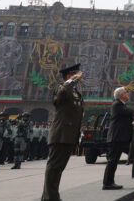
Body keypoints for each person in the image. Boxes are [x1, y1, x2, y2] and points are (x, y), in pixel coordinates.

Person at [41, 64, 83, 201]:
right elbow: (61, 95)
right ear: (69, 76)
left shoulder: (75, 92)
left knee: (58, 169)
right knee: (54, 167)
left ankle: (50, 196)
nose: (80, 76)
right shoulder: (62, 88)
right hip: (60, 134)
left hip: (69, 135)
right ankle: (50, 197)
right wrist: (70, 81)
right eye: (76, 74)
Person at [103, 87, 133, 190]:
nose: (128, 94)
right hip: (116, 138)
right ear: (121, 95)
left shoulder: (121, 105)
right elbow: (129, 112)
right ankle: (107, 183)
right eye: (126, 92)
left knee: (114, 161)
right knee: (112, 161)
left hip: (120, 138)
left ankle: (110, 182)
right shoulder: (117, 104)